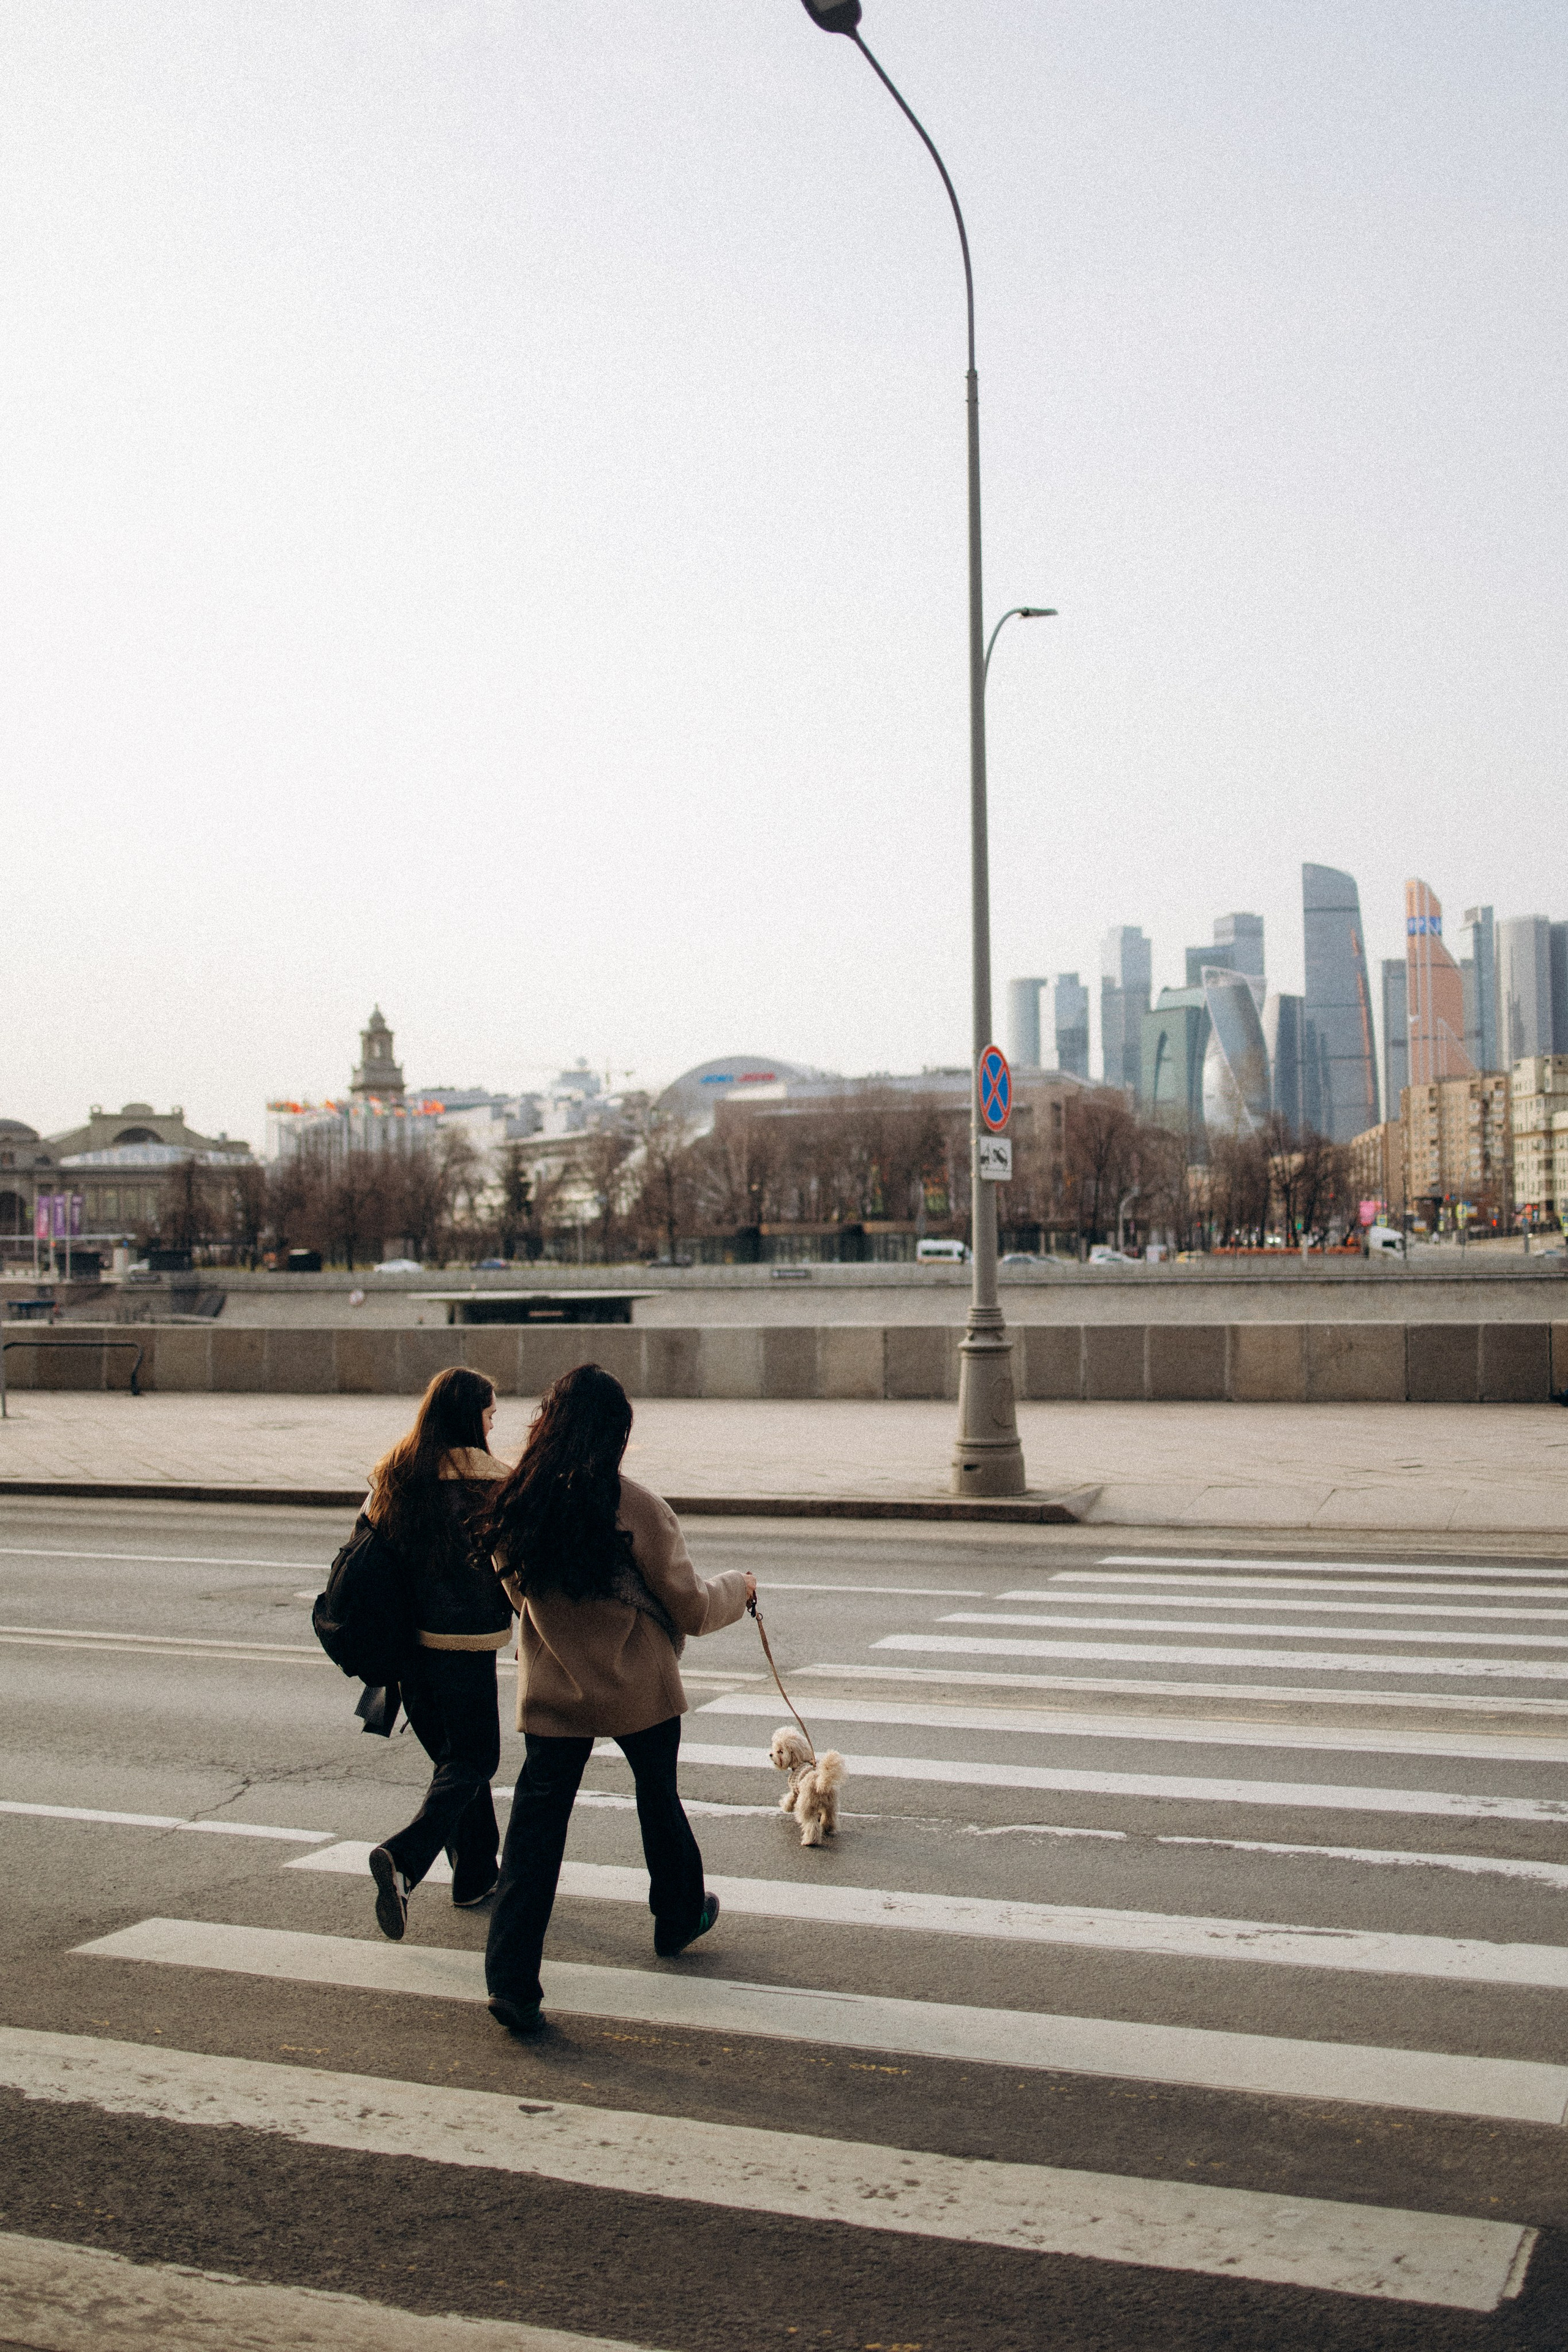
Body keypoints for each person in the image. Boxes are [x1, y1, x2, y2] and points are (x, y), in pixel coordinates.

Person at [482, 1362, 752, 2038]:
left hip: (554, 1690)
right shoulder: (635, 1507)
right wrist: (740, 1588)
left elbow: (515, 1593)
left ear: (547, 1425)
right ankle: (677, 1914)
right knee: (657, 1797)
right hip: (640, 1686)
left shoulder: (519, 1502)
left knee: (534, 1840)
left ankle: (513, 1984)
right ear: (615, 1436)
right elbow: (688, 1608)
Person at [364, 1365, 513, 1939]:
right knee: (475, 1761)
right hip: (465, 1649)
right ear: (470, 1418)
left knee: (455, 1761)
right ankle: (403, 1860)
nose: (493, 1424)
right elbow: (516, 1570)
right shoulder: (494, 1482)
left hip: (405, 1650)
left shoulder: (396, 1476)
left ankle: (475, 1873)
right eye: (490, 1415)